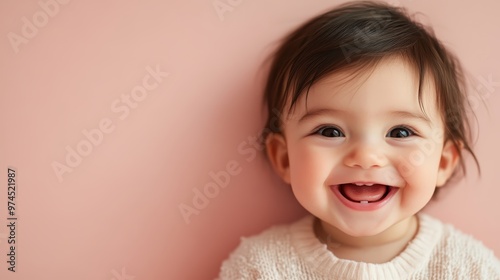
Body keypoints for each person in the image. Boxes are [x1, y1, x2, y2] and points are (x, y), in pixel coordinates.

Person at [218, 1, 500, 279]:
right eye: (330, 131)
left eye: (400, 132)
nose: (366, 156)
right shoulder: (260, 267)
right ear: (285, 158)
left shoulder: (469, 268)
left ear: (442, 162)